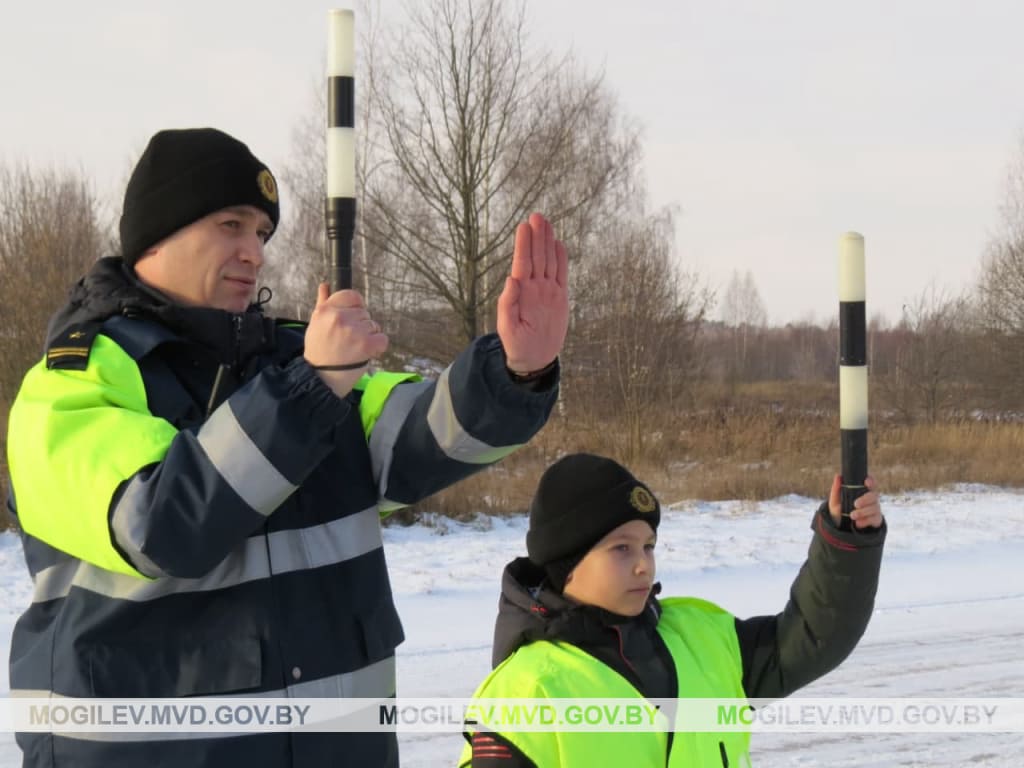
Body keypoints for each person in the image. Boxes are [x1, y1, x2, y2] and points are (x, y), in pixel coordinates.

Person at [5, 127, 569, 768]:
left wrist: (515, 371)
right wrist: (312, 384)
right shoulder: (72, 384)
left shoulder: (298, 366)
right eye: (231, 225)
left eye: (263, 234)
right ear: (156, 236)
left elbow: (424, 434)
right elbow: (162, 525)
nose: (255, 253)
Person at [460, 453, 886, 767]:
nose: (644, 563)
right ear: (567, 561)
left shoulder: (701, 636)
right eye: (621, 548)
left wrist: (846, 540)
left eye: (648, 545)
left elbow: (814, 635)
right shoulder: (528, 691)